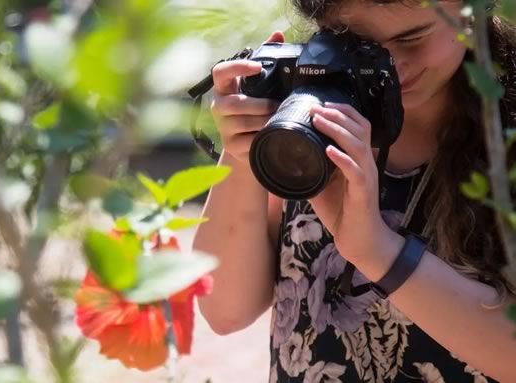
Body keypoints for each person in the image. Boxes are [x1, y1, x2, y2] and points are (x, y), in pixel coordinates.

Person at [191, 0, 516, 381]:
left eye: (412, 37)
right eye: (355, 43)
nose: (390, 64)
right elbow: (225, 310)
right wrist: (244, 151)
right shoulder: (302, 111)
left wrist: (377, 251)